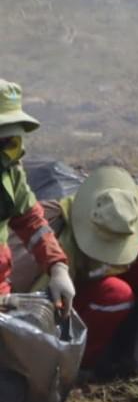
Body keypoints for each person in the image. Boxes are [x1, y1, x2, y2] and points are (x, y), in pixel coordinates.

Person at [26, 166, 138, 369]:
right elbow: (40, 307)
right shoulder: (64, 245)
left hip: (113, 269)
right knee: (116, 295)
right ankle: (84, 364)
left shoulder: (127, 203)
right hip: (80, 289)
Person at [0, 80, 75, 314]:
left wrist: (57, 267)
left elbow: (31, 222)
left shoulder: (9, 171)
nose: (7, 150)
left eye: (11, 142)